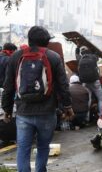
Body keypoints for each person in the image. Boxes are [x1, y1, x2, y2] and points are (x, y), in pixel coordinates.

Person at [1, 26, 74, 172]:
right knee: (42, 147)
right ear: (47, 41)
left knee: (23, 149)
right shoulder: (54, 57)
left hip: (23, 113)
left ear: (29, 40)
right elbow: (63, 85)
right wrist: (67, 107)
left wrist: (7, 110)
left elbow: (8, 86)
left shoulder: (16, 56)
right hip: (47, 113)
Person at [78, 46, 102, 116]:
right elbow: (97, 55)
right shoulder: (93, 57)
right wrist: (94, 51)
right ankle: (101, 115)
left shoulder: (80, 58)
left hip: (85, 82)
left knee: (88, 99)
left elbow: (77, 54)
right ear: (88, 50)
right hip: (95, 81)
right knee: (100, 99)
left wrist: (77, 47)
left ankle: (87, 117)